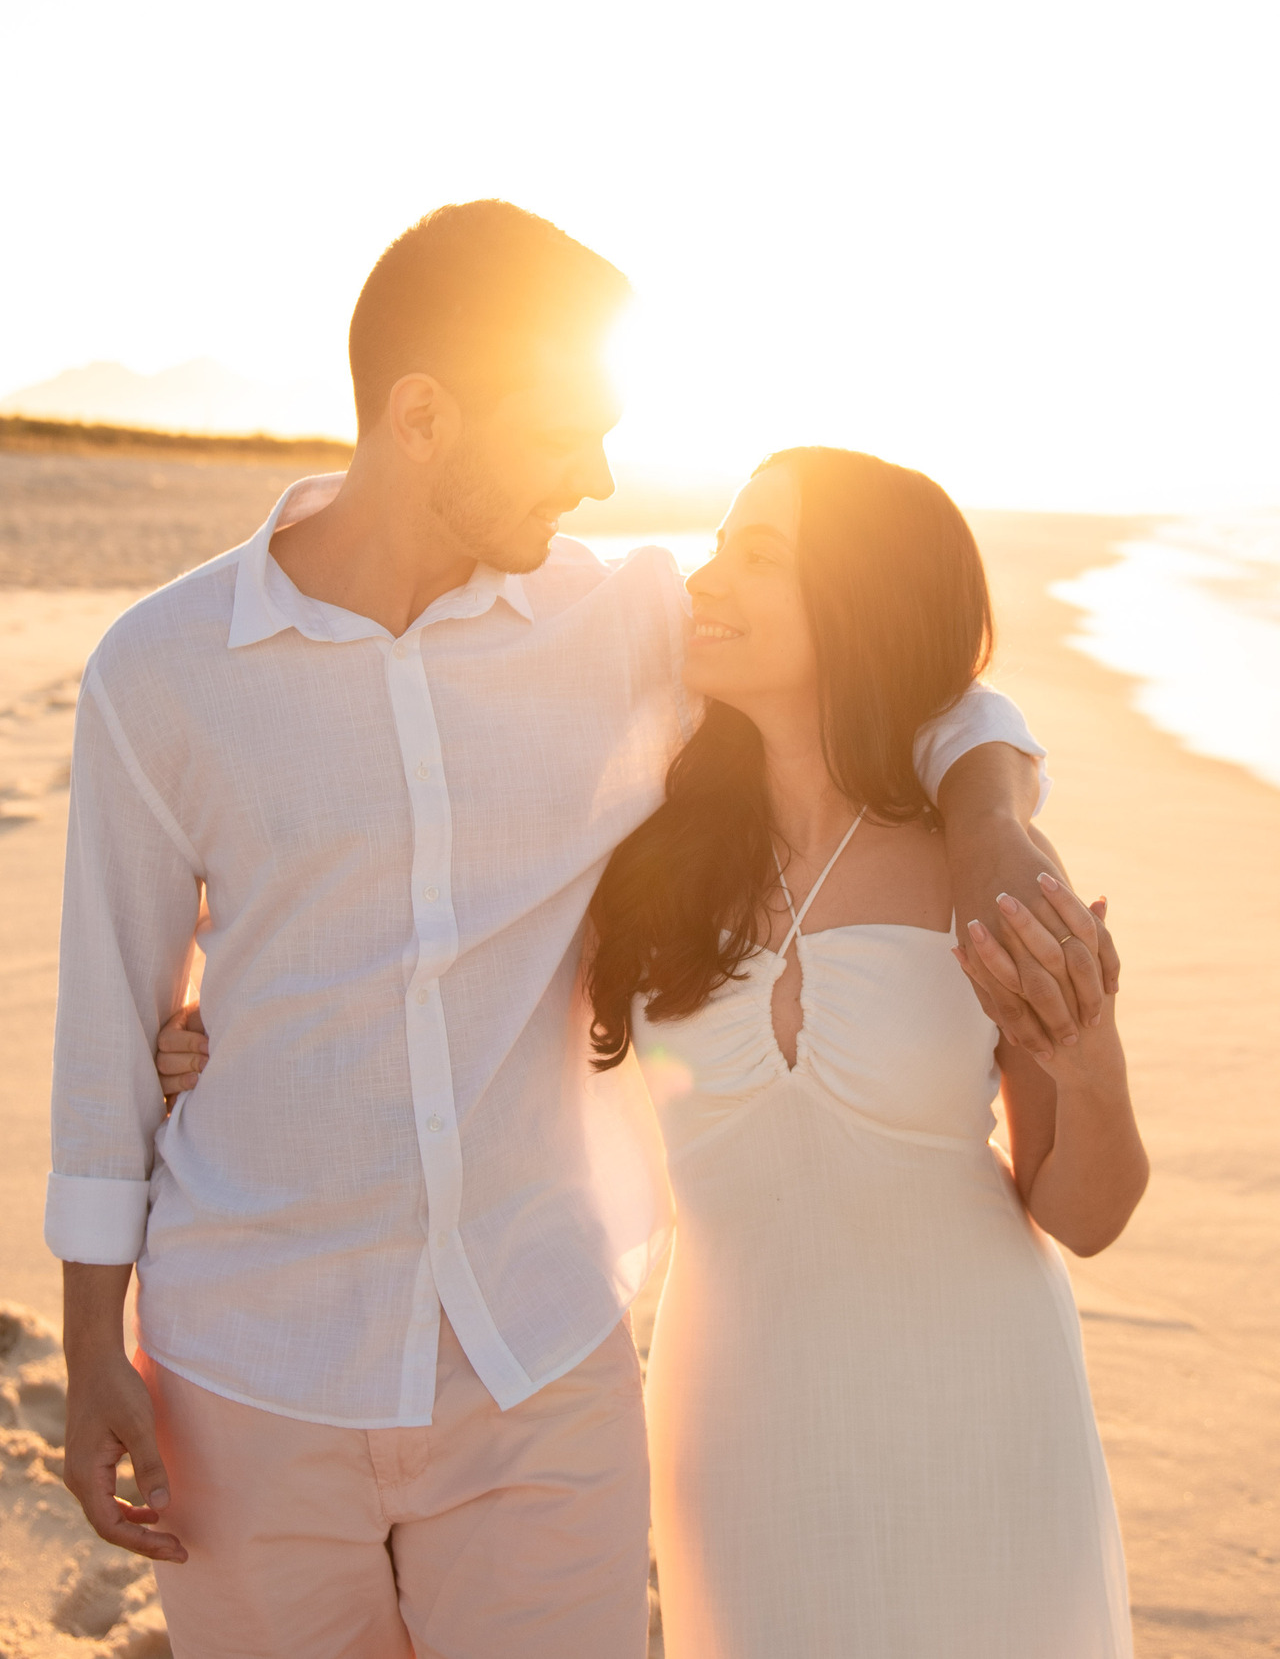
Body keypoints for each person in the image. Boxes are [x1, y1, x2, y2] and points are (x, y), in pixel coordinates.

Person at [52, 200, 1091, 1659]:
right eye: (566, 434)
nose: (601, 481)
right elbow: (107, 1027)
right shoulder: (162, 672)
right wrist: (94, 1343)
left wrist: (988, 812)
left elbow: (905, 668)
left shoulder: (618, 627)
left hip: (539, 1358)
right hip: (250, 1369)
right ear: (422, 417)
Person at [587, 447, 1147, 1659]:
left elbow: (1085, 1213)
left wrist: (1094, 1064)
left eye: (760, 554)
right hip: (735, 1425)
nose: (709, 576)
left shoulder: (977, 860)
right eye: (719, 541)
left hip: (981, 1407)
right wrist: (229, 1039)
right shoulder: (647, 848)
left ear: (860, 602)